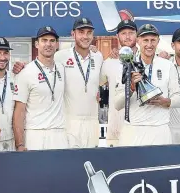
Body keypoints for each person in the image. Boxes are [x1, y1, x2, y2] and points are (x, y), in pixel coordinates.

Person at [12, 18, 104, 148]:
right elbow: (42, 63)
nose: (85, 36)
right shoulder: (61, 56)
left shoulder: (98, 56)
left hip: (91, 123)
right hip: (67, 125)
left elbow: (100, 81)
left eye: (89, 32)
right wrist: (22, 67)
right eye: (81, 32)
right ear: (73, 34)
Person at [114, 24, 180, 146]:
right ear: (138, 41)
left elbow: (179, 98)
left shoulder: (167, 65)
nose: (149, 45)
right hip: (133, 130)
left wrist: (166, 102)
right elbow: (117, 105)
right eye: (145, 40)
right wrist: (130, 89)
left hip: (160, 130)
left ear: (158, 41)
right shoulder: (125, 66)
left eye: (153, 40)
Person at [12, 26, 68, 151]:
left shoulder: (62, 68)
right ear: (36, 44)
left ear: (57, 44)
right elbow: (19, 112)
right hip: (35, 134)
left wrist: (92, 49)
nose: (48, 44)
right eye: (44, 40)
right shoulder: (25, 72)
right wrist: (20, 144)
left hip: (59, 134)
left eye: (52, 41)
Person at [99, 19, 138, 147]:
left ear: (137, 34)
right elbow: (96, 84)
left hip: (139, 129)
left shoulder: (146, 60)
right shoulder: (109, 62)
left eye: (131, 32)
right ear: (117, 36)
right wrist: (92, 51)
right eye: (123, 33)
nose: (127, 36)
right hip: (115, 131)